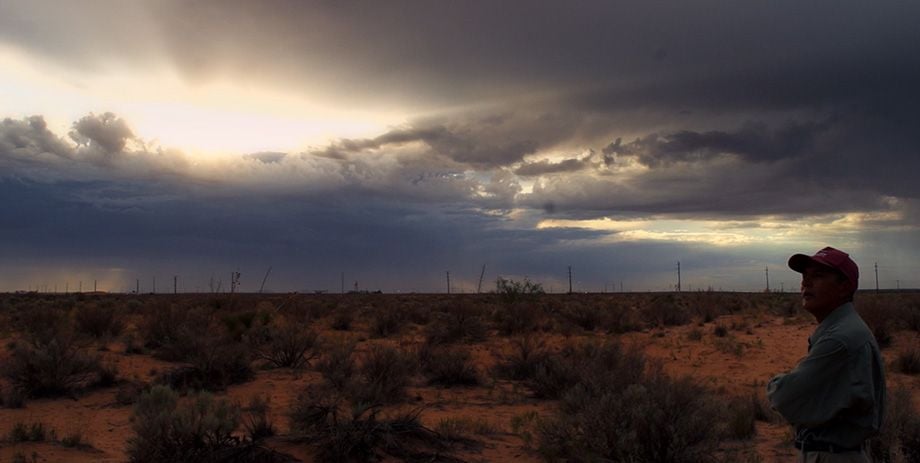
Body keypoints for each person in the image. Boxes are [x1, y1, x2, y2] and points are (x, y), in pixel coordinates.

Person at [767, 247, 886, 462]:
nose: (806, 283)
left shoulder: (839, 339)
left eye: (818, 276)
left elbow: (785, 397)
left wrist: (776, 383)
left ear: (844, 287)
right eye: (805, 277)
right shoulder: (843, 329)